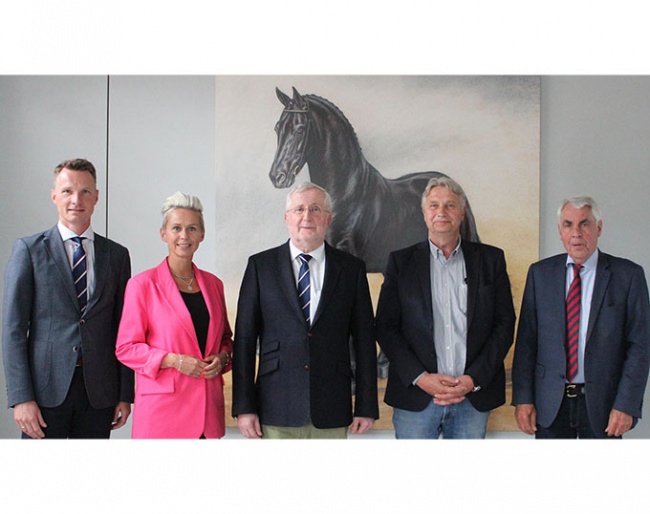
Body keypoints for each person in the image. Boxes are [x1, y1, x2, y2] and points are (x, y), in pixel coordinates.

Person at [232, 182, 378, 438]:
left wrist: (366, 405)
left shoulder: (351, 269)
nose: (307, 217)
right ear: (287, 217)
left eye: (315, 209)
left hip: (331, 406)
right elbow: (244, 341)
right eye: (299, 209)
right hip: (275, 406)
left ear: (328, 219)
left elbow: (365, 341)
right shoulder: (260, 266)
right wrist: (244, 407)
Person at [375, 176, 515, 439]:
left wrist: (472, 379)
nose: (441, 212)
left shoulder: (490, 260)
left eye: (450, 205)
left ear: (462, 213)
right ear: (424, 213)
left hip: (472, 400)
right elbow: (385, 327)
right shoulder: (400, 263)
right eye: (434, 205)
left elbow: (504, 324)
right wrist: (421, 378)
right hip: (416, 398)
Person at [2, 158, 133, 439]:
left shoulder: (117, 255)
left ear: (97, 197)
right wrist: (21, 397)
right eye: (67, 191)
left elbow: (123, 328)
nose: (77, 199)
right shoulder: (29, 250)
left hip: (99, 392)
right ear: (54, 196)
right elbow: (13, 330)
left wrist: (124, 393)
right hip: (44, 393)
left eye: (85, 191)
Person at [512, 196, 650, 438]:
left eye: (584, 224)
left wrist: (626, 404)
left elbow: (640, 347)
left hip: (604, 406)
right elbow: (526, 343)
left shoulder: (628, 276)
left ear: (598, 228)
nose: (576, 233)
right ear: (560, 231)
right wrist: (523, 399)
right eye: (568, 224)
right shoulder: (540, 274)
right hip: (550, 404)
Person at [115, 192, 233, 439]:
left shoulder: (214, 285)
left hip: (206, 414)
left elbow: (225, 340)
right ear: (164, 234)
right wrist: (173, 360)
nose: (184, 236)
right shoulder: (142, 285)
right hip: (162, 414)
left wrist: (222, 358)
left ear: (202, 235)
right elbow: (126, 347)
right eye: (176, 228)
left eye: (192, 228)